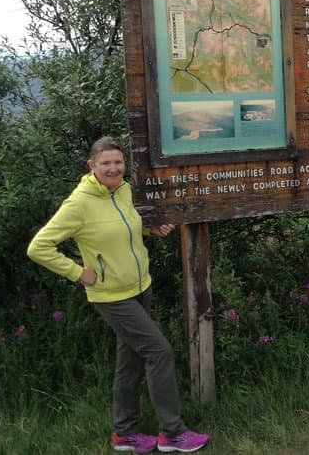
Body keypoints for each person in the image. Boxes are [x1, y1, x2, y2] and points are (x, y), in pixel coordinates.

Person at [27, 136, 210, 453]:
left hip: (141, 286)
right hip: (112, 296)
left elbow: (123, 227)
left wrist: (149, 229)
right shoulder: (78, 204)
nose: (113, 169)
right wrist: (77, 272)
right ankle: (172, 433)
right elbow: (38, 247)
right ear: (92, 166)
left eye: (118, 162)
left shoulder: (124, 189)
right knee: (159, 352)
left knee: (130, 364)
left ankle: (124, 434)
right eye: (106, 163)